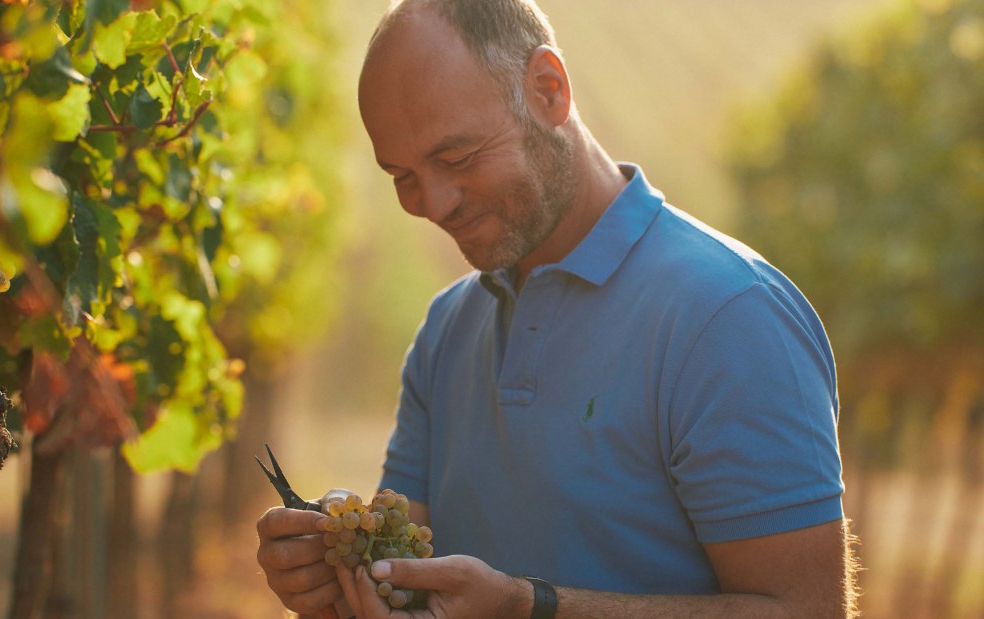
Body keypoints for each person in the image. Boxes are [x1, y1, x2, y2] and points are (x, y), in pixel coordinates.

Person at [257, 0, 857, 617]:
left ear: (549, 90)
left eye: (457, 157)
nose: (432, 203)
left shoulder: (730, 318)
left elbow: (808, 610)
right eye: (401, 176)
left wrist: (532, 607)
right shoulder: (447, 329)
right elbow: (406, 579)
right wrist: (338, 576)